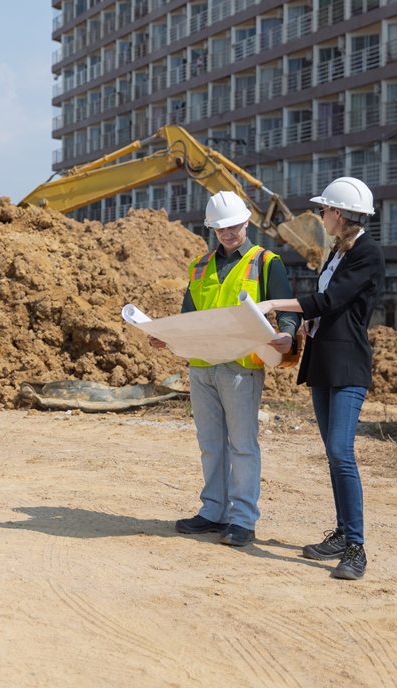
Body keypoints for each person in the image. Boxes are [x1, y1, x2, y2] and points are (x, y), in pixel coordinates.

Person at [149, 191, 300, 547]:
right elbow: (190, 318)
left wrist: (288, 334)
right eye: (220, 229)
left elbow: (289, 309)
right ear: (212, 229)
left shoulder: (265, 262)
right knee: (211, 443)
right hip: (202, 366)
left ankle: (243, 520)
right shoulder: (199, 266)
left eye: (233, 226)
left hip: (240, 367)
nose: (228, 233)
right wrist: (166, 337)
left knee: (243, 444)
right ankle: (213, 512)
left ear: (246, 222)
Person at [255, 177, 384, 580]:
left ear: (340, 214)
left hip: (347, 367)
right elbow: (330, 308)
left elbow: (330, 300)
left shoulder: (367, 254)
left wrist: (276, 303)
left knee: (342, 453)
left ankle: (356, 548)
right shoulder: (337, 252)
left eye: (325, 210)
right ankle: (343, 534)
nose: (321, 215)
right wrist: (305, 323)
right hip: (325, 362)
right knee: (333, 452)